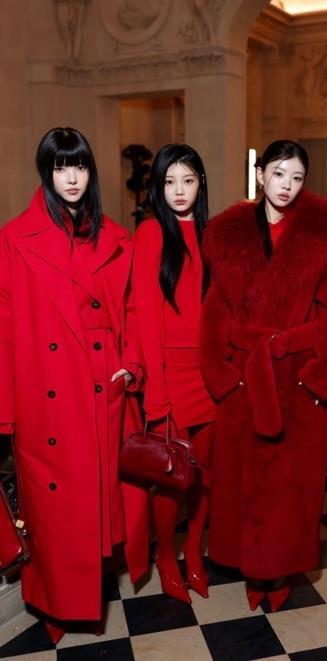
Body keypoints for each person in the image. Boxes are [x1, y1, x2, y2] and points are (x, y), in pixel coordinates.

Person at [0, 127, 139, 643]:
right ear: (46, 173)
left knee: (89, 508)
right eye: (60, 167)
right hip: (45, 392)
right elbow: (3, 328)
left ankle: (84, 595)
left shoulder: (113, 237)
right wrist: (5, 412)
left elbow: (132, 309)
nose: (71, 177)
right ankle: (53, 602)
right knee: (51, 510)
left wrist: (130, 363)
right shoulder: (16, 239)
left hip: (99, 391)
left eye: (78, 166)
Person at [200, 139, 327, 611]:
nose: (286, 185)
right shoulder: (228, 236)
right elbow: (214, 313)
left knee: (290, 487)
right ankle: (252, 568)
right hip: (245, 380)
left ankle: (278, 570)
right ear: (261, 174)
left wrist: (317, 377)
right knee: (242, 483)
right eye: (279, 174)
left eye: (297, 177)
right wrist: (224, 378)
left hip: (295, 381)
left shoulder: (320, 237)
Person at [128, 144, 214, 603]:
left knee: (205, 476)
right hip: (170, 376)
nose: (179, 191)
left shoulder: (213, 234)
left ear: (201, 184)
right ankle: (166, 555)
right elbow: (146, 315)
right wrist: (156, 390)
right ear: (157, 187)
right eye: (169, 181)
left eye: (188, 180)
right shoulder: (150, 233)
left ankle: (193, 551)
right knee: (170, 477)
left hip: (210, 376)